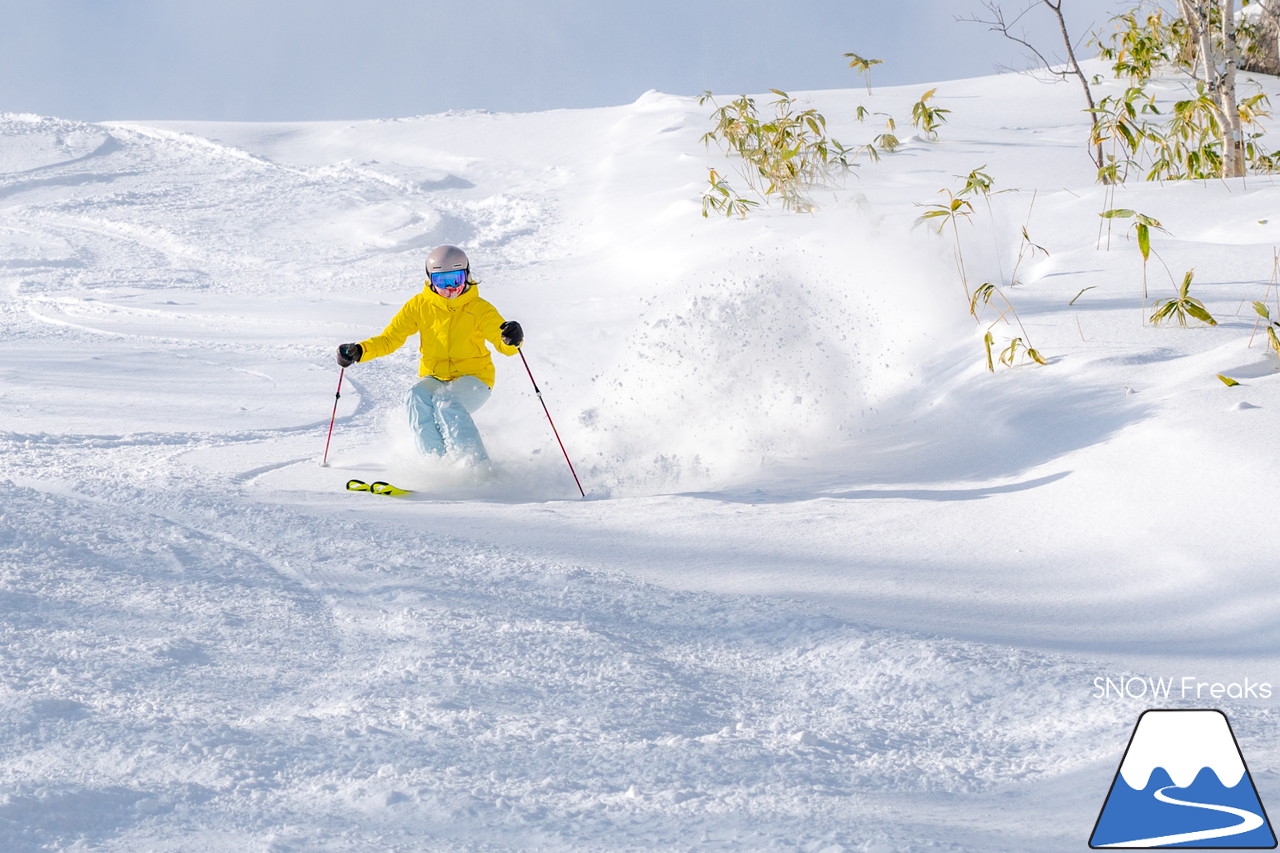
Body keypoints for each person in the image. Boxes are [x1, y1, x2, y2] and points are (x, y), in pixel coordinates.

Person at [335, 245, 523, 464]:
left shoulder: (480, 308)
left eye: (456, 279)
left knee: (446, 403)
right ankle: (436, 464)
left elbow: (504, 343)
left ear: (467, 275)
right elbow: (390, 338)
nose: (450, 288)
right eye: (442, 281)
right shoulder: (419, 306)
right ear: (431, 280)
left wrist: (511, 338)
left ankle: (476, 467)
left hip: (476, 378)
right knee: (416, 398)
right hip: (435, 377)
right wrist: (360, 350)